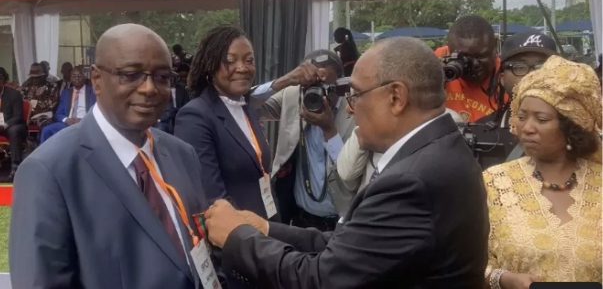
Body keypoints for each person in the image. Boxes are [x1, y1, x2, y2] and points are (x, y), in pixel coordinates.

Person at [204, 36, 489, 289]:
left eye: (355, 95)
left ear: (396, 97)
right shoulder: (440, 150)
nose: (350, 109)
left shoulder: (410, 182)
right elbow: (350, 246)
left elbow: (321, 279)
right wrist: (267, 230)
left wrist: (236, 236)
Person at [9, 24, 210, 289]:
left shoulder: (182, 155)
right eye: (131, 75)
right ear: (97, 79)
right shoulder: (49, 171)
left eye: (162, 76)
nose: (149, 88)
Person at [484, 55, 602, 286]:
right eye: (521, 117)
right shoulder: (494, 183)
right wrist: (504, 279)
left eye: (541, 119)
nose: (527, 128)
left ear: (570, 127)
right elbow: (468, 261)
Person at [175, 26, 275, 220]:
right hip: (238, 233)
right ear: (210, 66)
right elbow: (213, 199)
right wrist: (256, 234)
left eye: (249, 60)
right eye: (230, 61)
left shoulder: (246, 107)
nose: (242, 68)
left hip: (267, 225)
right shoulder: (195, 117)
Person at [252, 50, 356, 230]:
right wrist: (285, 80)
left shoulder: (354, 110)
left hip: (342, 224)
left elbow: (353, 171)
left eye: (324, 86)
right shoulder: (293, 96)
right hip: (299, 220)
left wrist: (329, 130)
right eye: (310, 86)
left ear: (339, 84)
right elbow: (246, 105)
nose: (317, 94)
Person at [475, 32, 558, 169]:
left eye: (542, 66)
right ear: (502, 78)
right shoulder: (480, 133)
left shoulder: (578, 132)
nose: (532, 75)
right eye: (519, 67)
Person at [337, 108, 464, 191]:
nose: (348, 109)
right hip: (367, 213)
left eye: (359, 95)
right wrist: (360, 139)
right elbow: (345, 174)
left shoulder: (447, 121)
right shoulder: (369, 120)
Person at [435, 15, 500, 122]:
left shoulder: (508, 77)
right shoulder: (435, 63)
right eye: (465, 58)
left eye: (481, 56)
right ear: (449, 49)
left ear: (495, 45)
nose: (474, 64)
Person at [39, 66, 96, 144]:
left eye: (79, 76)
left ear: (84, 77)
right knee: (46, 130)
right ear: (70, 79)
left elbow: (96, 112)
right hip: (68, 123)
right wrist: (67, 120)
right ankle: (45, 152)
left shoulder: (92, 92)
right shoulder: (66, 93)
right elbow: (58, 114)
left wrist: (84, 120)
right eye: (74, 76)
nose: (77, 78)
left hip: (85, 122)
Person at [0, 67, 27, 182]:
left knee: (14, 131)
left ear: (2, 80)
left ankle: (15, 167)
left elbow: (18, 116)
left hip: (11, 124)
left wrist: (5, 125)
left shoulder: (14, 94)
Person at [19, 62, 59, 127]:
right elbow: (21, 102)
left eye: (37, 77)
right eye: (33, 77)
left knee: (44, 122)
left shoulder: (51, 87)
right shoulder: (26, 86)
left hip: (44, 115)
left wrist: (37, 111)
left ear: (42, 76)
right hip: (28, 115)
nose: (35, 80)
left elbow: (52, 105)